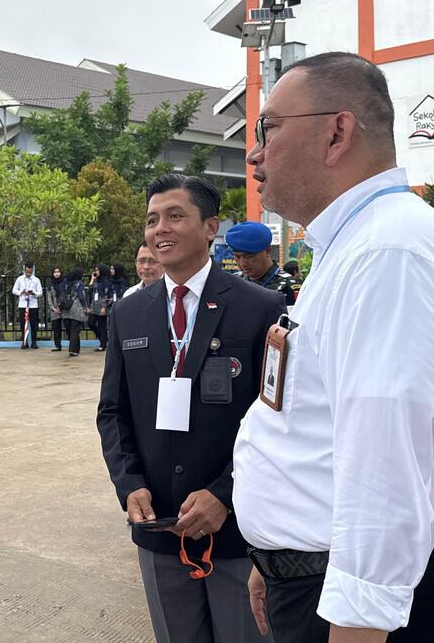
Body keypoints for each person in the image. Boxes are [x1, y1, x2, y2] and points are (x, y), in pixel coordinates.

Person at [234, 52, 434, 642]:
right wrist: (276, 558)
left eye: (267, 128)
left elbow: (385, 465)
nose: (255, 152)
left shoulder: (387, 253)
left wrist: (353, 619)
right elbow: (316, 426)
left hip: (368, 609)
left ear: (336, 132)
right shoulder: (354, 246)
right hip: (320, 581)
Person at [98, 173, 285, 643]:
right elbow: (113, 412)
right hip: (160, 524)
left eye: (175, 216)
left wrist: (224, 494)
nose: (160, 228)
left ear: (210, 227)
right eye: (152, 219)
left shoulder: (261, 307)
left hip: (237, 528)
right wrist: (130, 484)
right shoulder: (129, 312)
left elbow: (278, 420)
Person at [226, 222, 301, 306]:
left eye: (249, 256)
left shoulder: (289, 286)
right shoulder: (233, 282)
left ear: (267, 251)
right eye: (237, 257)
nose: (243, 263)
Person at [12, 262, 43, 349]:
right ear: (24, 270)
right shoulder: (20, 279)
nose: (28, 273)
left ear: (32, 270)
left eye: (30, 272)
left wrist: (34, 293)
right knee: (23, 324)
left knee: (34, 324)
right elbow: (14, 290)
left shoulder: (36, 280)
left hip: (33, 305)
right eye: (27, 272)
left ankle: (34, 342)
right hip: (23, 304)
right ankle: (24, 342)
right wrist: (20, 292)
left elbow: (40, 292)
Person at [61, 267, 89, 357]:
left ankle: (76, 348)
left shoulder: (66, 283)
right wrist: (85, 307)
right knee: (75, 330)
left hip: (66, 310)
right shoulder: (80, 284)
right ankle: (73, 350)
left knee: (71, 331)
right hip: (76, 309)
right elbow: (82, 296)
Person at [87, 263, 114, 351]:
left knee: (102, 325)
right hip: (94, 306)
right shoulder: (96, 281)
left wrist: (104, 306)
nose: (96, 272)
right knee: (90, 323)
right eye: (95, 270)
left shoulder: (106, 282)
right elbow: (90, 291)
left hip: (102, 305)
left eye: (97, 270)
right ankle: (103, 339)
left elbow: (107, 295)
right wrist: (92, 279)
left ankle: (103, 345)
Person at [47, 267, 67, 352]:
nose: (56, 273)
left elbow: (67, 294)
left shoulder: (65, 282)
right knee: (56, 327)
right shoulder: (50, 283)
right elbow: (49, 297)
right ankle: (58, 345)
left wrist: (62, 306)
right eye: (55, 272)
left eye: (58, 271)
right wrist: (53, 308)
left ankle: (73, 345)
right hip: (54, 310)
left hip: (65, 309)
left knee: (68, 326)